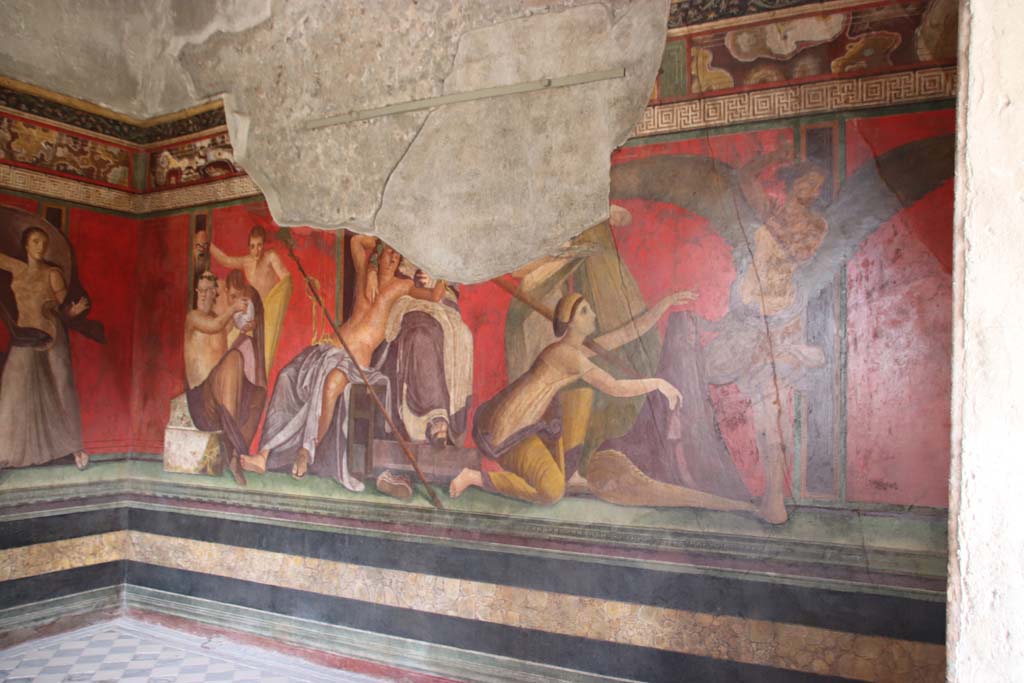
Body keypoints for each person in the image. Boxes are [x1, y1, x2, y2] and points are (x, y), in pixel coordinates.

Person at [445, 290, 771, 519]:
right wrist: (658, 383)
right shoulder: (566, 355)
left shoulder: (575, 350)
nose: (594, 315)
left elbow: (628, 332)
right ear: (570, 321)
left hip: (529, 428)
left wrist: (665, 304)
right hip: (506, 433)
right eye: (585, 311)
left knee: (579, 395)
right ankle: (476, 477)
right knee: (550, 492)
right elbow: (613, 387)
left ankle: (571, 472)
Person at [242, 236, 446, 490]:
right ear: (378, 255)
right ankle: (264, 453)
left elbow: (435, 296)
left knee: (329, 385)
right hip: (327, 348)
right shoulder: (363, 273)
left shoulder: (399, 287)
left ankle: (307, 450)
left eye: (397, 256)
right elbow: (357, 242)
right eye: (389, 253)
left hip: (353, 364)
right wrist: (370, 269)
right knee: (286, 376)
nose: (394, 258)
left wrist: (441, 272)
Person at [0, 227, 90, 470]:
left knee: (62, 387)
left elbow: (63, 310)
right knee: (13, 389)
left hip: (51, 334)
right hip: (25, 335)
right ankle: (5, 451)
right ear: (26, 245)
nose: (40, 246)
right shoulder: (17, 268)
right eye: (35, 241)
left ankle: (75, 448)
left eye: (44, 242)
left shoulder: (53, 274)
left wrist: (74, 312)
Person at [373, 261, 473, 448]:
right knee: (420, 337)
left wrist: (439, 277)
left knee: (464, 336)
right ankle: (433, 417)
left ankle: (451, 419)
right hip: (410, 301)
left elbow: (450, 281)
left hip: (443, 306)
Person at [184, 270, 267, 486]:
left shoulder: (220, 319)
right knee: (233, 359)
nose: (203, 295)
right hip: (202, 403)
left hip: (218, 400)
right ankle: (237, 449)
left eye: (208, 290)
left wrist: (249, 324)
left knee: (257, 384)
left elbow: (234, 324)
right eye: (200, 290)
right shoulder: (193, 318)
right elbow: (217, 325)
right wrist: (233, 309)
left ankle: (235, 454)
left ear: (214, 293)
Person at [209, 225, 293, 374]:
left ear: (264, 244)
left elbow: (286, 281)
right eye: (253, 246)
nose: (257, 250)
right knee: (230, 345)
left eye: (260, 245)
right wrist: (208, 245)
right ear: (249, 247)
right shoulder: (246, 261)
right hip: (250, 312)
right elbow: (226, 260)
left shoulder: (271, 257)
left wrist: (274, 304)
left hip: (268, 312)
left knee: (262, 357)